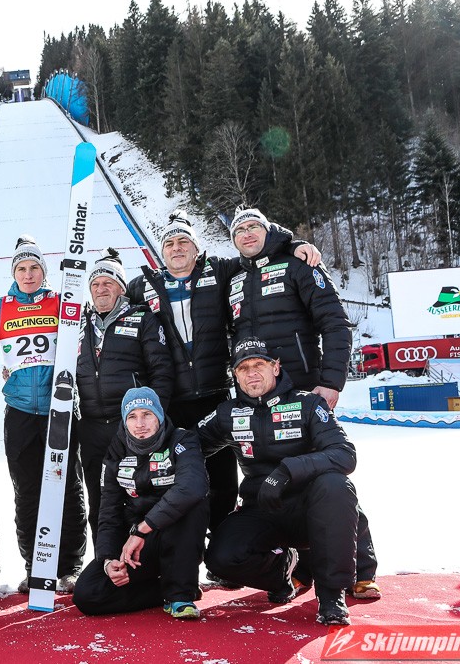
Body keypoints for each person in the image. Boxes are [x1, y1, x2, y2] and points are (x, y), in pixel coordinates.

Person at [126, 211, 322, 540]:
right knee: (172, 478)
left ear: (196, 248)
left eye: (184, 242)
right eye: (170, 244)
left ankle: (221, 543)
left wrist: (293, 245)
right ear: (161, 252)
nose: (177, 248)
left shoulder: (219, 271)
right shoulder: (141, 286)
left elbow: (255, 252)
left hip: (214, 394)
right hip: (172, 400)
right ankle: (178, 551)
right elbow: (113, 306)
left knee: (222, 480)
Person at [226, 207, 380, 598]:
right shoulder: (235, 278)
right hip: (259, 392)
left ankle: (360, 567)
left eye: (254, 227)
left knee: (326, 478)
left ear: (268, 231)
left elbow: (335, 323)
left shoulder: (298, 263)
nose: (247, 234)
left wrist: (330, 382)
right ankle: (305, 567)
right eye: (239, 230)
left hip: (306, 389)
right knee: (276, 478)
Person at [198, 338, 359, 625]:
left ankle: (331, 595)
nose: (252, 373)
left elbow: (344, 454)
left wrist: (287, 471)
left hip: (310, 510)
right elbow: (189, 445)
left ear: (276, 367)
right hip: (262, 508)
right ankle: (284, 571)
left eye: (259, 364)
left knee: (336, 485)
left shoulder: (308, 403)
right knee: (221, 558)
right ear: (235, 375)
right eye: (243, 368)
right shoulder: (227, 413)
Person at [0, 235, 86, 594]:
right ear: (14, 273)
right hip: (20, 411)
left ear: (44, 272)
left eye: (34, 268)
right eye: (21, 268)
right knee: (27, 491)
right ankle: (35, 565)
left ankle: (71, 566)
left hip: (59, 407)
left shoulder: (60, 302)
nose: (28, 274)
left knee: (69, 485)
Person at [72, 387, 209, 619]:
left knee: (192, 504)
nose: (140, 424)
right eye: (132, 417)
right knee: (88, 594)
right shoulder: (116, 451)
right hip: (138, 546)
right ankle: (164, 588)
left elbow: (192, 486)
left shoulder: (182, 439)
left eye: (147, 414)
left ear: (159, 416)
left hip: (175, 537)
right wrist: (108, 560)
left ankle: (180, 594)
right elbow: (108, 511)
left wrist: (142, 529)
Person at [75, 248, 173, 543]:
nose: (101, 289)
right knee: (99, 501)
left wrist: (153, 420)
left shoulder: (142, 318)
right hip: (91, 425)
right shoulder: (79, 324)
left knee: (139, 498)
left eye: (108, 283)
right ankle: (106, 559)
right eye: (95, 284)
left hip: (131, 426)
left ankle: (147, 558)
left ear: (121, 287)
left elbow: (162, 372)